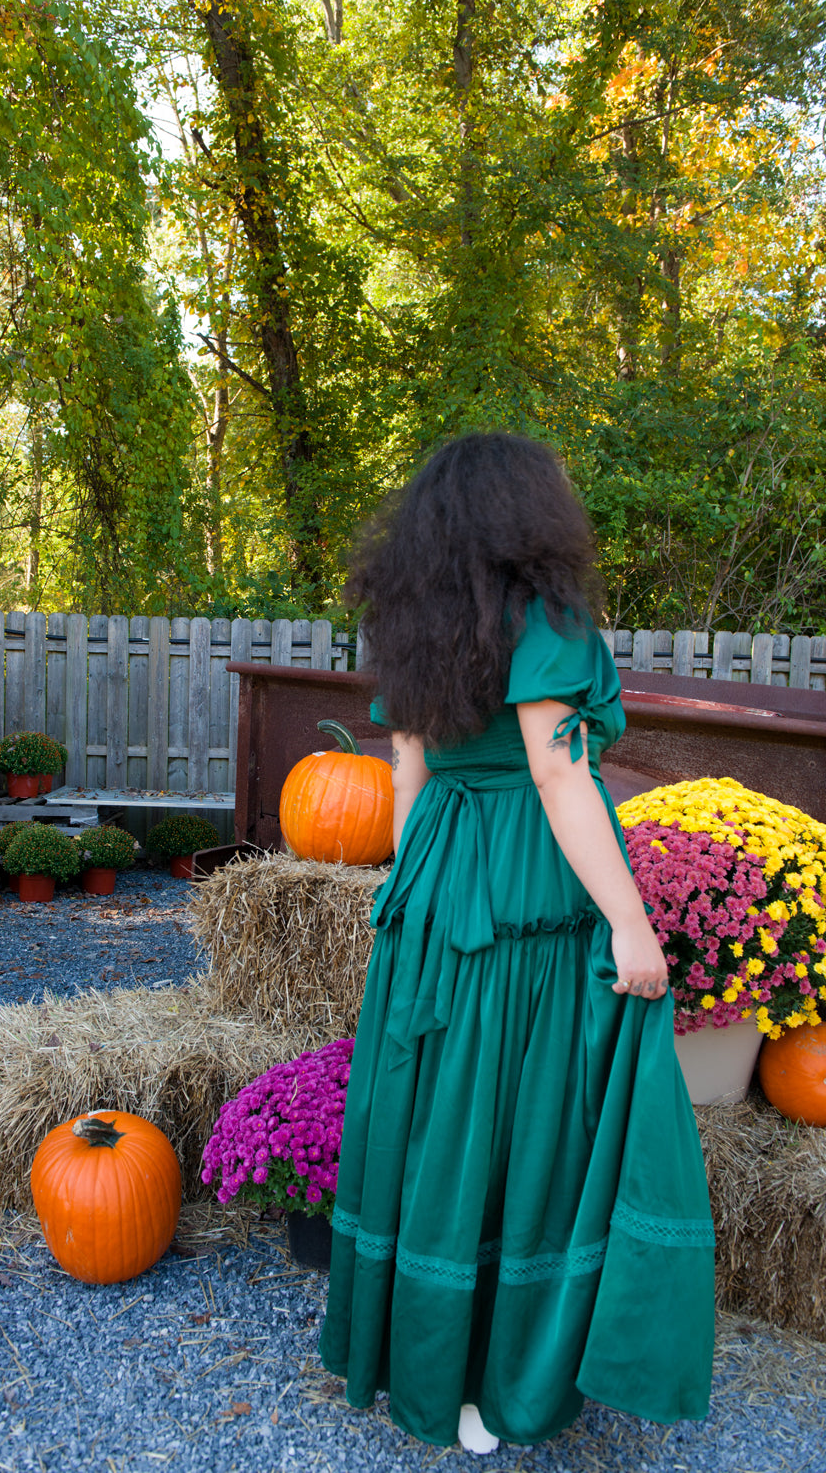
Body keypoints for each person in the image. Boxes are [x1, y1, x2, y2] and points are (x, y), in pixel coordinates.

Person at [318, 432, 715, 1453]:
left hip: (442, 867)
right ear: (531, 518)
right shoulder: (545, 614)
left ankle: (431, 1366)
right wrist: (632, 923)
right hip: (525, 878)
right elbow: (557, 772)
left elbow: (408, 775)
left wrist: (416, 894)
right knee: (513, 1117)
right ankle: (487, 1375)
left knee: (438, 1114)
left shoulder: (409, 617)